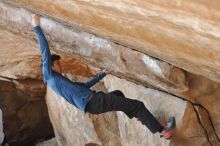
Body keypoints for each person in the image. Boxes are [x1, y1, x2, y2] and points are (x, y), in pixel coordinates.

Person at [32, 14, 175, 139]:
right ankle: (163, 131)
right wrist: (37, 28)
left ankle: (141, 117)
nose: (60, 66)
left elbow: (84, 86)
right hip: (95, 101)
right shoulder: (49, 76)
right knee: (138, 105)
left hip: (93, 106)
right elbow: (45, 51)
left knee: (118, 94)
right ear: (50, 66)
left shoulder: (59, 82)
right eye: (57, 64)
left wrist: (102, 75)